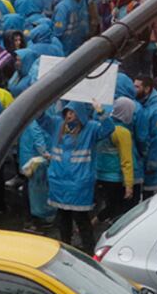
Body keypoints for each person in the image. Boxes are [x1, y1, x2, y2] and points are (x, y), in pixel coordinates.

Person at [47, 101, 114, 250]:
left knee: (81, 219)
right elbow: (40, 119)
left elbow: (109, 129)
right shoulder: (58, 124)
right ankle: (65, 247)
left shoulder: (91, 128)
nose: (69, 115)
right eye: (67, 112)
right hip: (59, 182)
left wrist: (101, 112)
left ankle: (89, 250)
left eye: (73, 112)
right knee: (63, 218)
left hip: (79, 183)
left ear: (81, 114)